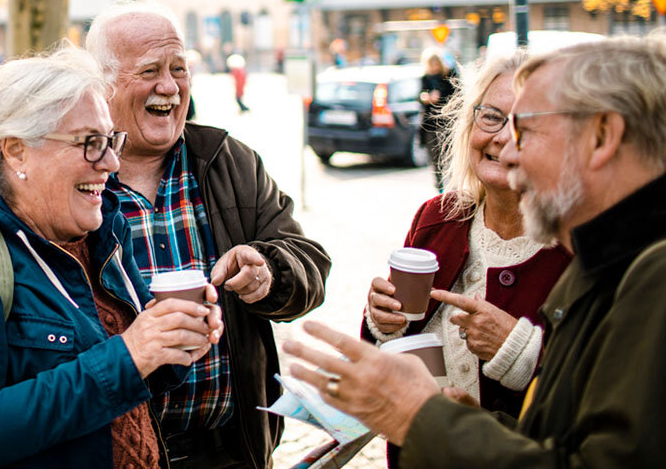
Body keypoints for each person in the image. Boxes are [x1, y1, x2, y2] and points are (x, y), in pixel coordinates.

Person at [285, 35, 666, 467]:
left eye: (527, 128)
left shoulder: (648, 271)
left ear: (602, 137)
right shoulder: (606, 255)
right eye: (493, 119)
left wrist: (420, 418)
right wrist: (470, 426)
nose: (509, 149)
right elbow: (566, 437)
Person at [0, 46, 224, 468]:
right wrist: (131, 354)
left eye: (110, 141)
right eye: (89, 143)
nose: (110, 162)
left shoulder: (102, 232)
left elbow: (126, 375)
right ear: (17, 151)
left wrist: (172, 343)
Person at [87, 0, 332, 469]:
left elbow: (309, 262)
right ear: (102, 84)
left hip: (229, 450)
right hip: (117, 455)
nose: (170, 86)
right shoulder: (78, 177)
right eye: (149, 70)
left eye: (179, 67)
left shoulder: (228, 159)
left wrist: (270, 271)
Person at [361, 51, 572, 465]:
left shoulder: (574, 247)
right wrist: (382, 323)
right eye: (491, 116)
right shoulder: (437, 217)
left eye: (526, 125)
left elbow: (596, 395)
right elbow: (392, 345)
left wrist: (519, 350)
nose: (503, 139)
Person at [419, 48, 457, 192]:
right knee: (434, 157)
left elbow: (456, 96)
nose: (434, 67)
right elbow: (419, 95)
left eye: (436, 63)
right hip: (430, 124)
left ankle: (452, 185)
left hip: (446, 122)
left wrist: (439, 97)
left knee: (448, 155)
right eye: (431, 64)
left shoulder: (448, 76)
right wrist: (426, 98)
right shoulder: (425, 78)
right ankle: (439, 187)